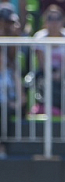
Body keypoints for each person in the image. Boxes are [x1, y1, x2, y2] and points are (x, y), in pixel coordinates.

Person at [0, 2, 25, 159]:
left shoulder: (14, 41)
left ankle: (3, 147)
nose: (10, 26)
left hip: (7, 90)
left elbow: (13, 66)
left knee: (5, 108)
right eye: (6, 22)